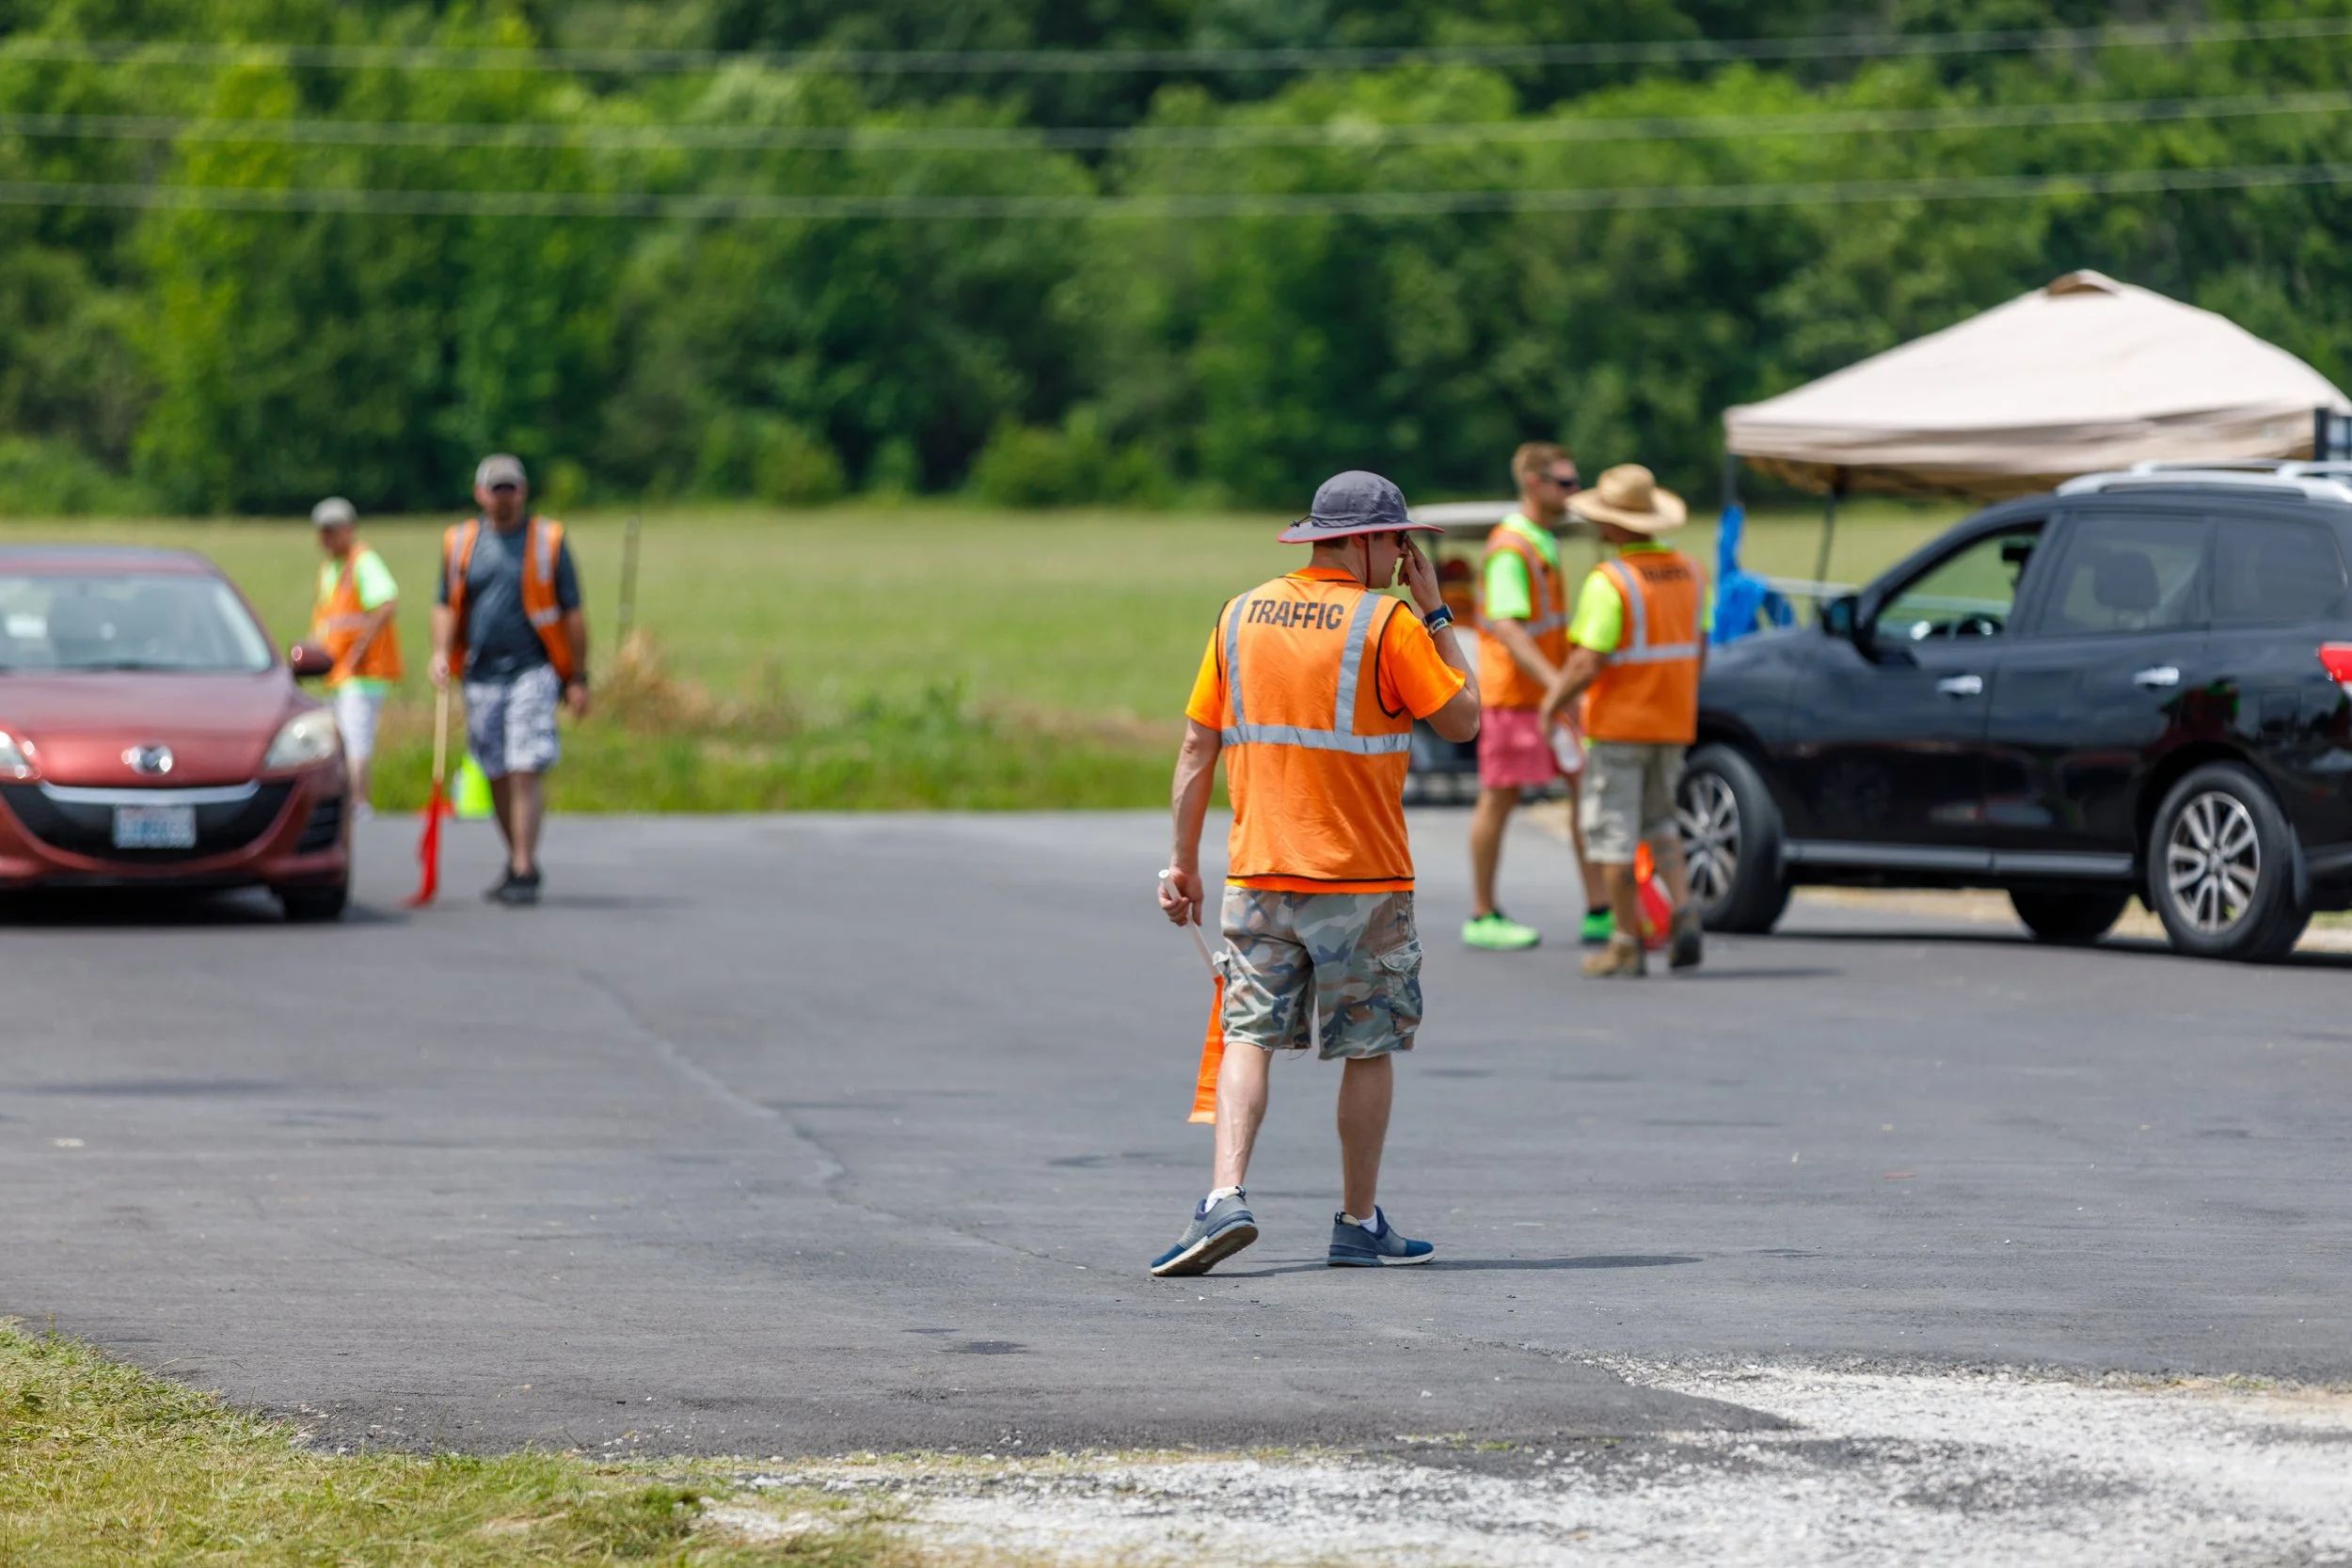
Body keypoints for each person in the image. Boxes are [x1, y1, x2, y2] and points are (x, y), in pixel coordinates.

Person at [1153, 470, 1481, 1277]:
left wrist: (1182, 863)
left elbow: (1198, 747)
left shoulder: (1240, 614)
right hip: (1362, 879)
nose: (1405, 555)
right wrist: (1436, 609)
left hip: (1260, 871)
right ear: (1367, 542)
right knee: (1367, 1048)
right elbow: (1467, 719)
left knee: (1247, 1034)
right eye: (1399, 541)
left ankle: (1223, 1196)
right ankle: (1358, 1221)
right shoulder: (1389, 622)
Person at [1539, 465, 1709, 978]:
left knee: (1611, 835)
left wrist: (1552, 703)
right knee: (1661, 823)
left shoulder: (1611, 580)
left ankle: (1625, 942)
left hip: (1618, 727)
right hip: (1673, 722)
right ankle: (1683, 913)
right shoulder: (1692, 571)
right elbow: (1698, 648)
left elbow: (1588, 661)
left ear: (1610, 526)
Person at [1462, 442, 1612, 952]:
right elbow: (1508, 628)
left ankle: (1600, 907)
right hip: (1517, 698)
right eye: (1564, 483)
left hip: (1550, 695)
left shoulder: (1542, 541)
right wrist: (1557, 684)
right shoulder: (1512, 547)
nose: (1573, 491)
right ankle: (1483, 913)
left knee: (1583, 792)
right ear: (1533, 483)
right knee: (1500, 798)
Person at [429, 454, 589, 907]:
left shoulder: (548, 541)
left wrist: (576, 677)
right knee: (495, 768)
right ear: (480, 493)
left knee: (524, 766)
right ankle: (517, 857)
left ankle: (523, 864)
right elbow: (445, 603)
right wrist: (441, 654)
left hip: (533, 670)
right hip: (480, 672)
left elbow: (572, 613)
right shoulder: (459, 542)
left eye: (511, 488)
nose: (504, 496)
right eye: (495, 488)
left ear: (524, 491)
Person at [309, 497, 401, 818]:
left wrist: (359, 648)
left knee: (355, 736)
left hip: (363, 670)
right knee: (340, 738)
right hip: (338, 671)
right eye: (322, 532)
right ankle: (346, 800)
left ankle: (359, 802)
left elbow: (386, 604)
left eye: (332, 531)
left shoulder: (363, 561)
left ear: (349, 529)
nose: (326, 538)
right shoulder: (330, 568)